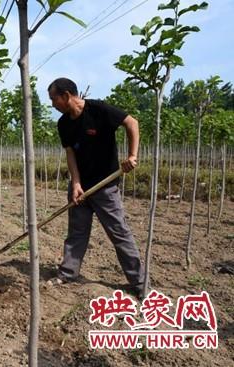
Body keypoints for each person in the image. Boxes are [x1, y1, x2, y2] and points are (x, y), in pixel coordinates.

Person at [48, 77, 144, 298]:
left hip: (105, 186)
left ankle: (139, 283)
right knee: (76, 233)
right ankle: (68, 273)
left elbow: (132, 123)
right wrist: (76, 183)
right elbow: (70, 153)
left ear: (66, 96)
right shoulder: (63, 123)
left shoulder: (98, 109)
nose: (53, 105)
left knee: (119, 233)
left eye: (54, 99)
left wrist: (132, 155)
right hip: (81, 188)